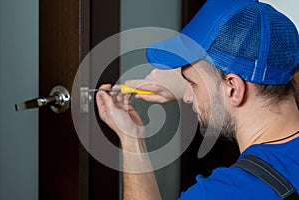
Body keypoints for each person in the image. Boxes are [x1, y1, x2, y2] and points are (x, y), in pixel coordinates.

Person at [96, 0, 299, 199]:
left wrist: (131, 140)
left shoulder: (221, 193)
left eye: (192, 84)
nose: (186, 97)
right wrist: (192, 81)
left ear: (233, 88)